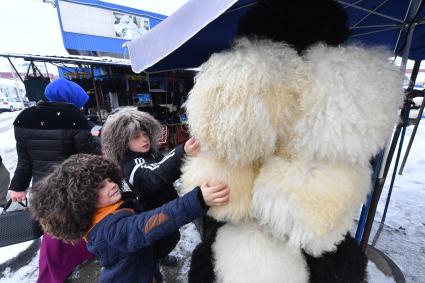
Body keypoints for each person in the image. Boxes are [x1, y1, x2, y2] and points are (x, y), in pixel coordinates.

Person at [30, 154, 230, 283]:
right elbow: (150, 223)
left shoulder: (107, 210)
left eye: (109, 179)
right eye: (100, 187)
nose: (111, 185)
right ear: (82, 200)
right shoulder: (110, 231)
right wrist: (198, 199)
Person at [7, 78, 100, 283]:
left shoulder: (24, 117)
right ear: (71, 98)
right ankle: (57, 273)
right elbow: (89, 158)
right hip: (71, 188)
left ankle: (53, 272)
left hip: (42, 189)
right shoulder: (75, 118)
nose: (82, 105)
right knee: (76, 228)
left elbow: (25, 160)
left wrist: (18, 187)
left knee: (53, 233)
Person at [101, 107, 200, 266]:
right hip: (153, 214)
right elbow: (156, 175)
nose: (144, 139)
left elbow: (166, 165)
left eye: (146, 134)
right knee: (157, 243)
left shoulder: (150, 153)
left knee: (171, 237)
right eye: (136, 137)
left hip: (167, 206)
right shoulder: (131, 165)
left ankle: (160, 256)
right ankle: (154, 261)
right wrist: (184, 151)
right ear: (122, 141)